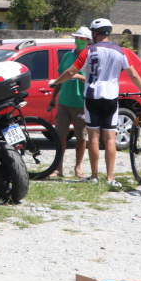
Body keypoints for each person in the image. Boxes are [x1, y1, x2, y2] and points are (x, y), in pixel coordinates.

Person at [50, 18, 141, 188]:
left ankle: (94, 175)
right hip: (111, 97)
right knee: (110, 137)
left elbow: (71, 71)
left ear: (95, 34)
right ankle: (110, 178)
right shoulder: (121, 51)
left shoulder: (88, 51)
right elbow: (133, 74)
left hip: (92, 97)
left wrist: (56, 81)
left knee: (94, 137)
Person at [48, 27, 91, 179]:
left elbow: (94, 80)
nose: (78, 41)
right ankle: (58, 168)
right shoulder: (67, 56)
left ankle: (78, 168)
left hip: (81, 103)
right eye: (77, 38)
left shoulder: (90, 57)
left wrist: (79, 77)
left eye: (82, 39)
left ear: (88, 41)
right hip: (64, 102)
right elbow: (61, 77)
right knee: (60, 136)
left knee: (81, 137)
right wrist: (54, 97)